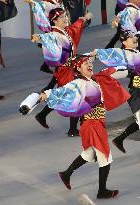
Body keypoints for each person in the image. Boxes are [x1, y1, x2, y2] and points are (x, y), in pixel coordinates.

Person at [38, 55, 130, 199]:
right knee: (106, 157)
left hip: (96, 122)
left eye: (89, 62)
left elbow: (108, 72)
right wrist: (46, 94)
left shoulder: (92, 80)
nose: (89, 64)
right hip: (92, 124)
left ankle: (66, 174)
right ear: (78, 69)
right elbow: (63, 91)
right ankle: (102, 191)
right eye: (85, 63)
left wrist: (125, 68)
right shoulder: (79, 82)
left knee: (90, 153)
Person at [93, 30, 140, 161]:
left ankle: (120, 139)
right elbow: (114, 58)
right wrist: (96, 53)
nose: (134, 38)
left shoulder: (137, 52)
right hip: (138, 93)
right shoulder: (125, 54)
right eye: (130, 38)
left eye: (134, 36)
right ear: (124, 42)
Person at [30, 6, 92, 136]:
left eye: (65, 16)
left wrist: (84, 19)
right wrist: (38, 38)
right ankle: (72, 129)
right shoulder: (55, 34)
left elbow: (75, 27)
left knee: (64, 95)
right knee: (75, 95)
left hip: (70, 68)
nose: (66, 19)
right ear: (54, 21)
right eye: (62, 17)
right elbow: (48, 38)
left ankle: (42, 115)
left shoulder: (65, 31)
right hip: (66, 70)